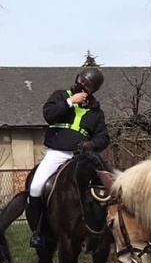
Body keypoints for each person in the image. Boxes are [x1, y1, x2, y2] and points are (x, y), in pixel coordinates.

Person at [25, 65, 109, 250]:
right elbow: (49, 115)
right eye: (81, 80)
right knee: (36, 186)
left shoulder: (96, 112)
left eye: (86, 85)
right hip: (57, 153)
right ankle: (38, 231)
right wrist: (70, 102)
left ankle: (101, 232)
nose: (81, 84)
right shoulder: (60, 96)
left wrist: (91, 145)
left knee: (106, 188)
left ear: (93, 90)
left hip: (82, 157)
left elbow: (103, 137)